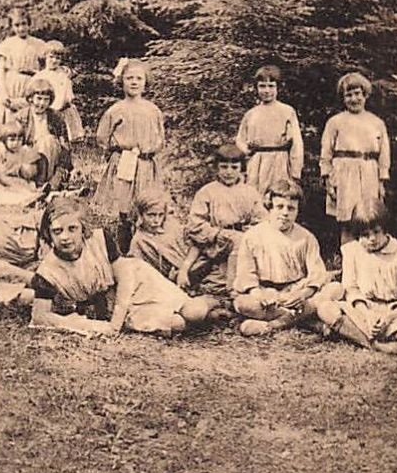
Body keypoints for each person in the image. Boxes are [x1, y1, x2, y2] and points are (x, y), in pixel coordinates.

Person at [27, 198, 220, 337]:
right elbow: (40, 316)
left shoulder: (100, 240)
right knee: (177, 324)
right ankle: (214, 317)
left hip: (135, 283)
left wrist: (116, 323)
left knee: (194, 312)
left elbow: (125, 278)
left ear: (83, 228)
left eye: (72, 229)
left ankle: (212, 302)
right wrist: (82, 324)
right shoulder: (47, 273)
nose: (65, 237)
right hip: (109, 304)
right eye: (57, 231)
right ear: (48, 234)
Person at [230, 180, 341, 336]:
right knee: (243, 304)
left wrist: (301, 295)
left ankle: (273, 325)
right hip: (267, 294)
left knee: (335, 289)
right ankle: (308, 321)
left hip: (296, 292)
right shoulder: (253, 236)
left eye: (291, 208)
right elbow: (246, 275)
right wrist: (260, 295)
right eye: (279, 207)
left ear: (297, 211)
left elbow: (317, 274)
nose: (285, 213)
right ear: (269, 207)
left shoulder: (306, 237)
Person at [317, 209, 397, 357]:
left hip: (393, 313)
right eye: (365, 235)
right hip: (363, 309)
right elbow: (351, 288)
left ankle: (355, 335)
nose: (372, 239)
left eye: (376, 232)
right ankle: (376, 346)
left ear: (385, 230)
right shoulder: (351, 251)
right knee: (325, 309)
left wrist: (389, 317)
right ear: (357, 235)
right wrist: (367, 314)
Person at [92, 59, 165, 241]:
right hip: (125, 161)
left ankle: (145, 241)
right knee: (124, 203)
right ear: (121, 82)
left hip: (146, 164)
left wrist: (149, 150)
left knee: (146, 202)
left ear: (145, 83)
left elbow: (160, 139)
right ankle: (123, 242)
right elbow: (102, 137)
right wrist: (119, 150)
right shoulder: (116, 110)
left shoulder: (153, 110)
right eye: (129, 78)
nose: (134, 82)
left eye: (139, 78)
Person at [185, 144, 265, 300]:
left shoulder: (249, 192)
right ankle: (231, 290)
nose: (229, 172)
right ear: (216, 168)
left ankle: (235, 291)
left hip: (243, 239)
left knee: (244, 245)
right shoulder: (207, 192)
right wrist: (217, 233)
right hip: (215, 242)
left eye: (234, 167)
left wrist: (251, 231)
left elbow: (261, 219)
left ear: (241, 168)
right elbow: (195, 223)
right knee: (203, 273)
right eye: (224, 167)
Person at [320, 72, 391, 246]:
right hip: (345, 174)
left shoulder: (376, 123)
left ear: (365, 94)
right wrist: (328, 179)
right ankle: (349, 264)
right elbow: (326, 153)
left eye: (357, 94)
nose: (354, 99)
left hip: (369, 173)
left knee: (368, 218)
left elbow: (384, 154)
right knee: (347, 221)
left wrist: (382, 181)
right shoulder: (335, 122)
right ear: (343, 98)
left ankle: (367, 262)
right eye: (349, 95)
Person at [234, 64, 304, 193]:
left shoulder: (287, 111)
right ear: (256, 87)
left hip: (279, 162)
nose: (266, 91)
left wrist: (295, 172)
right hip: (256, 164)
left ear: (278, 88)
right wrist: (247, 151)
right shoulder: (251, 114)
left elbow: (297, 144)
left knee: (278, 197)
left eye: (271, 86)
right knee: (255, 198)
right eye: (262, 86)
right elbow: (240, 139)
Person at [20, 81, 73, 190]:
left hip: (51, 159)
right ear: (31, 98)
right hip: (29, 159)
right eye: (39, 98)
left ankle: (46, 183)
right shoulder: (22, 117)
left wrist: (60, 172)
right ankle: (32, 184)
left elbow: (65, 147)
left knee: (48, 141)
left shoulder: (56, 118)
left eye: (46, 99)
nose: (42, 103)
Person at [0, 7, 46, 116]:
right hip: (11, 84)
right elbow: (2, 70)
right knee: (9, 116)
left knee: (29, 116)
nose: (21, 28)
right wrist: (3, 90)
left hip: (31, 84)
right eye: (17, 25)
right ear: (12, 26)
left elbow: (48, 65)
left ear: (29, 24)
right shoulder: (7, 44)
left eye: (24, 24)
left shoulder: (39, 44)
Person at [32, 40, 84, 140]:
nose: (54, 61)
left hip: (64, 111)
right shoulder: (40, 76)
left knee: (66, 139)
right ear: (45, 57)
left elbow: (67, 95)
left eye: (58, 58)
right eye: (51, 57)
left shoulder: (64, 74)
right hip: (48, 111)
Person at [0, 120, 47, 195]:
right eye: (12, 140)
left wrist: (40, 179)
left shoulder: (24, 150)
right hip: (6, 179)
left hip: (22, 178)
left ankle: (37, 190)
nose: (16, 143)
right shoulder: (2, 153)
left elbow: (42, 159)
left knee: (28, 170)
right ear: (4, 140)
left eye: (19, 140)